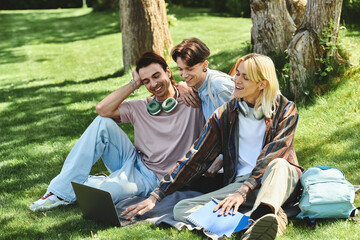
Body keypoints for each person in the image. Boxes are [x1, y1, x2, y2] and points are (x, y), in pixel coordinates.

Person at [123, 53, 304, 240]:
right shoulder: (225, 115)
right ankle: (264, 219)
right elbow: (195, 157)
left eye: (245, 77)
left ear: (262, 83)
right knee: (181, 209)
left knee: (279, 164)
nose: (236, 80)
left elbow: (274, 153)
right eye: (237, 74)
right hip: (241, 183)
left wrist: (242, 193)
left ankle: (262, 214)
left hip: (278, 179)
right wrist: (156, 195)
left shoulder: (286, 109)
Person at [29, 52, 205, 212]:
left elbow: (211, 81)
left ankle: (92, 181)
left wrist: (183, 84)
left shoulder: (192, 99)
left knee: (101, 196)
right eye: (146, 81)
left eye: (156, 75)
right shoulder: (142, 107)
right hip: (136, 163)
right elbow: (102, 109)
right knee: (102, 123)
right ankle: (59, 193)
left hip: (156, 178)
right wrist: (134, 83)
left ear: (168, 71)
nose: (153, 84)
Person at [173, 37, 234, 179]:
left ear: (204, 64)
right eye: (180, 69)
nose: (184, 74)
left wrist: (219, 160)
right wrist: (181, 85)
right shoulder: (198, 84)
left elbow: (239, 127)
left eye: (190, 69)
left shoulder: (218, 87)